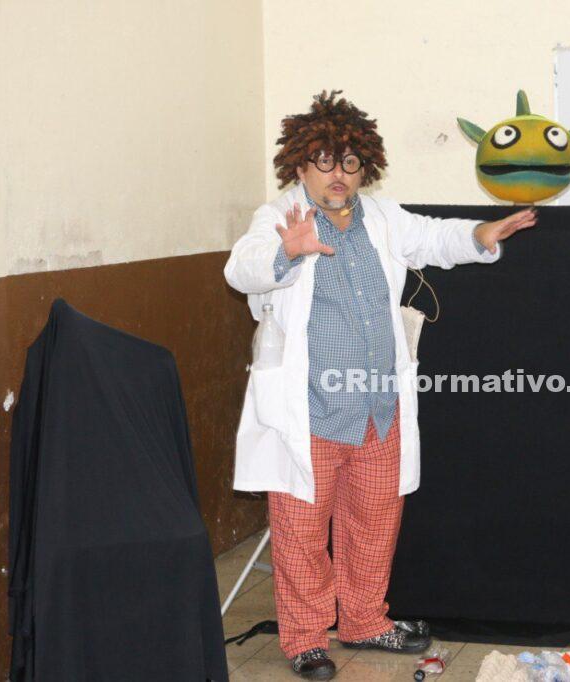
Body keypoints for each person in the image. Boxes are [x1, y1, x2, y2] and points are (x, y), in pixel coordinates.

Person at [224, 90, 536, 680]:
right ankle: (305, 638)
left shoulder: (383, 217)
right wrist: (287, 252)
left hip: (378, 408)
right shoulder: (279, 218)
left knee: (373, 525)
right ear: (300, 165)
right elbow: (242, 267)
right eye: (323, 160)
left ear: (364, 166)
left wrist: (481, 234)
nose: (337, 174)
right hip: (310, 410)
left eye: (349, 162)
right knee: (301, 533)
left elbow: (434, 238)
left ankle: (365, 621)